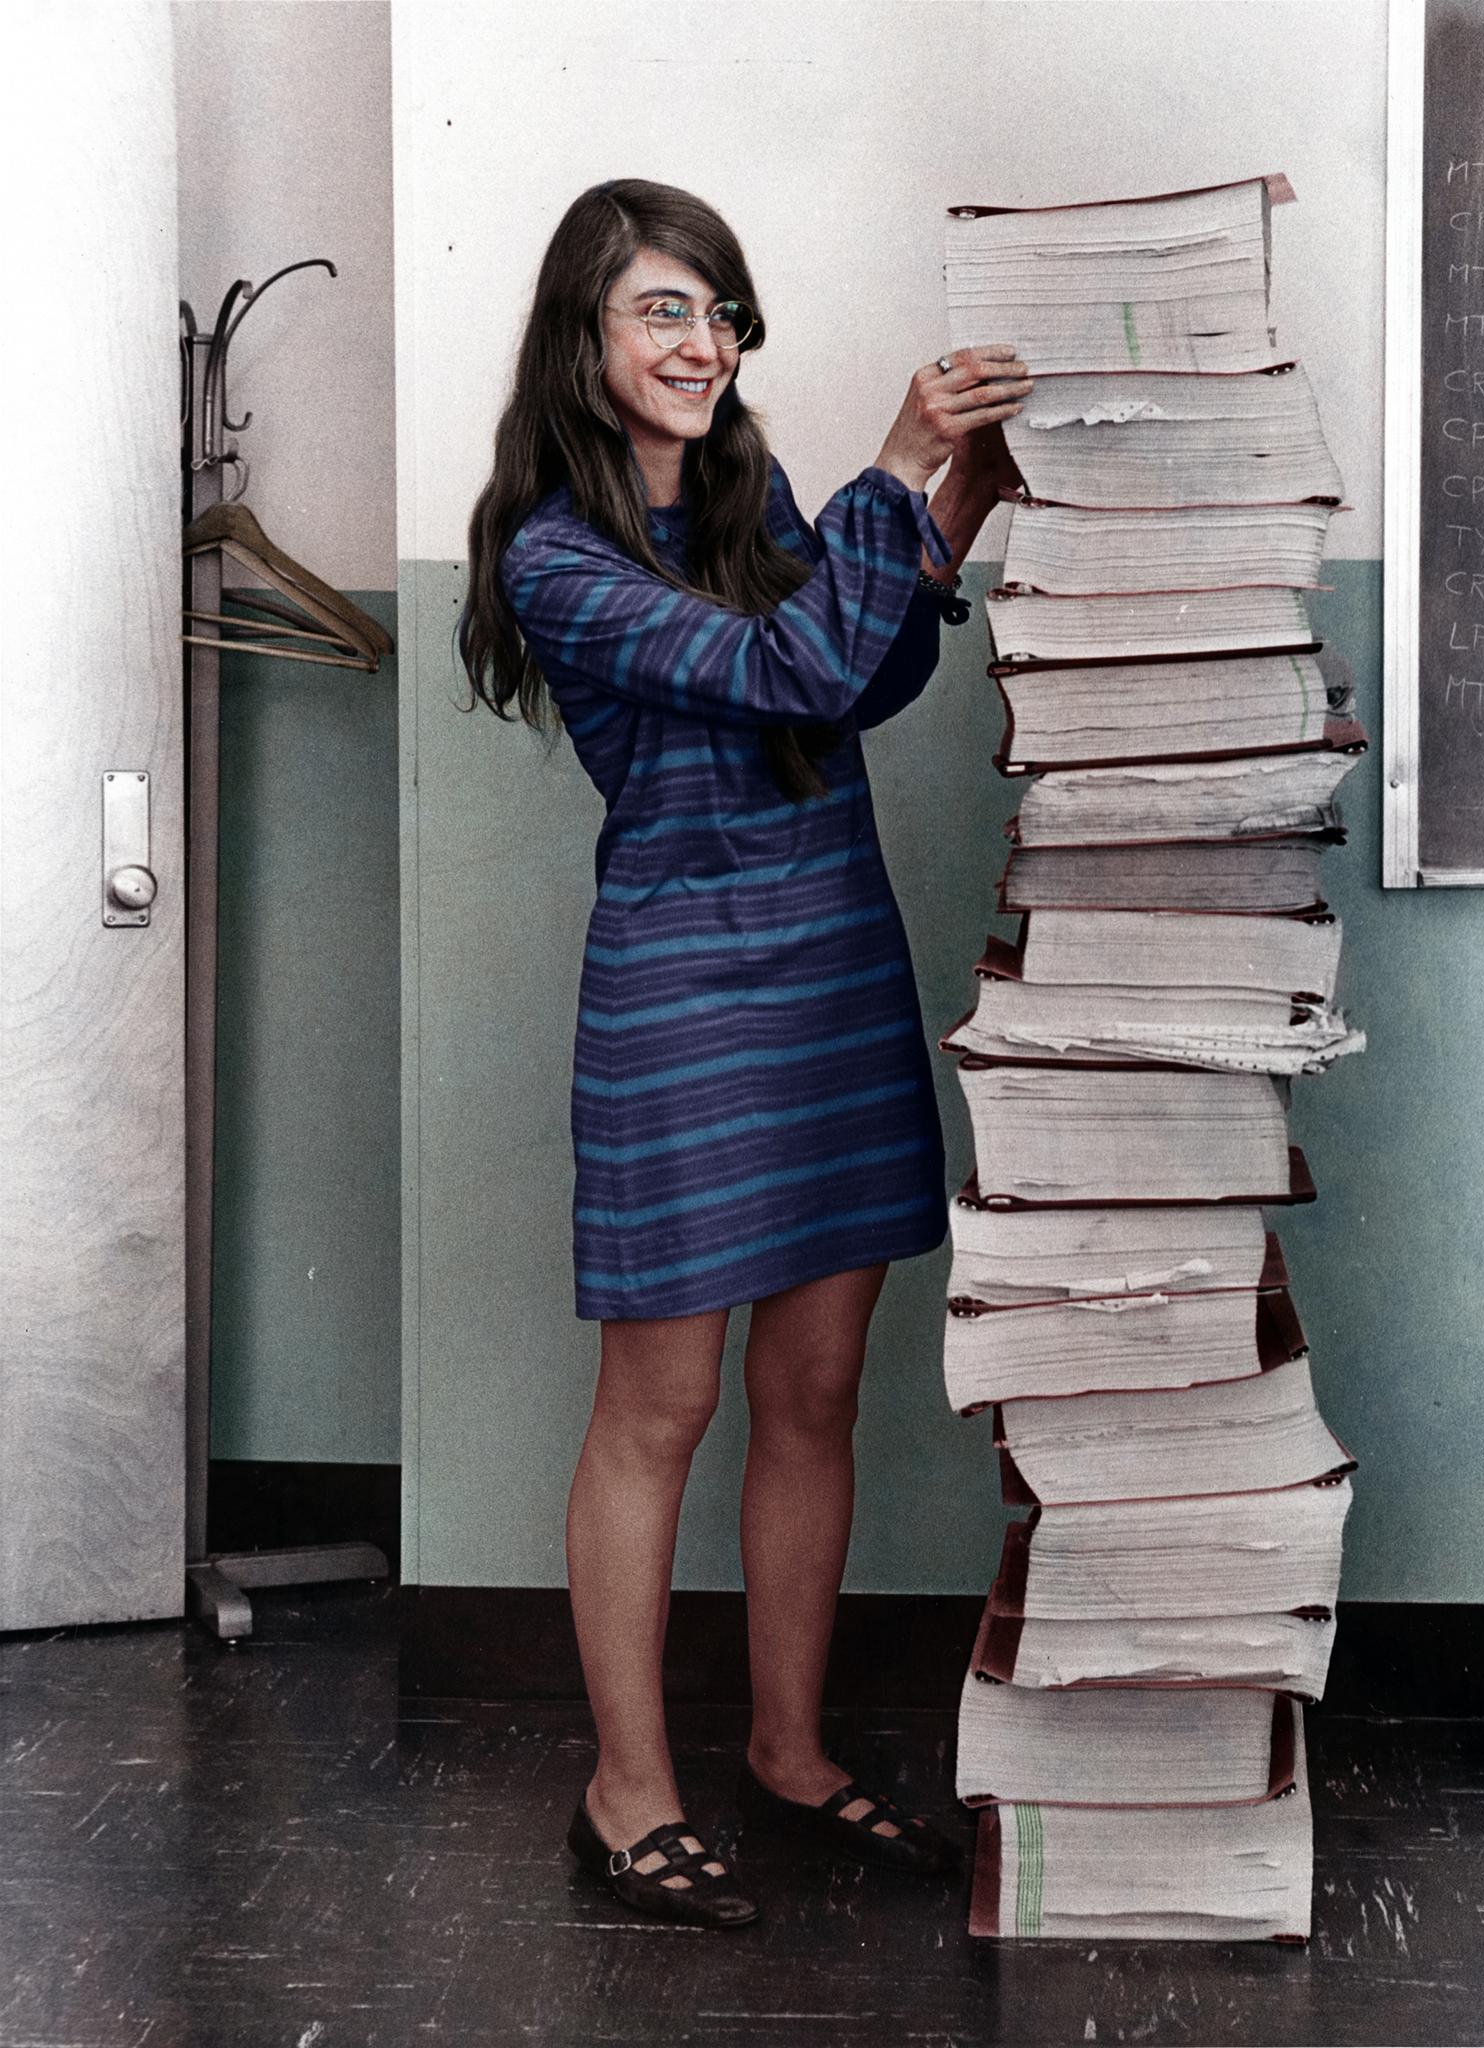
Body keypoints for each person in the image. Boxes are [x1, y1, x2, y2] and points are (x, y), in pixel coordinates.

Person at [458, 176, 1030, 1929]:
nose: (703, 343)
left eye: (717, 311)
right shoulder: (550, 550)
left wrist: (961, 497)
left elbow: (846, 677)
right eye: (661, 310)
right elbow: (785, 665)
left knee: (810, 1392)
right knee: (665, 1405)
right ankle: (624, 1791)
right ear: (584, 331)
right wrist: (896, 461)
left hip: (828, 958)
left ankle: (786, 1749)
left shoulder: (743, 488)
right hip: (682, 981)